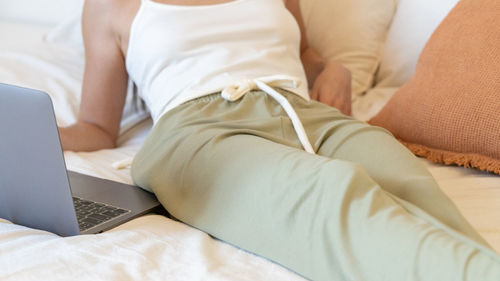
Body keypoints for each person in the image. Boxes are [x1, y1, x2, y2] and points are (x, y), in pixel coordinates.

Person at [59, 0, 500, 280]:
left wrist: (332, 70)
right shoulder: (108, 6)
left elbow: (305, 54)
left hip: (300, 110)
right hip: (196, 130)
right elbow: (96, 127)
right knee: (330, 195)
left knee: (404, 177)